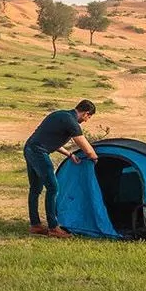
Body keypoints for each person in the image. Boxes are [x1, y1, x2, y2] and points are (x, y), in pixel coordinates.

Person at [23, 99, 98, 237]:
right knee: (53, 188)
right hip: (38, 152)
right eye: (89, 117)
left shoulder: (61, 115)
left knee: (35, 189)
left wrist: (69, 154)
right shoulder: (72, 122)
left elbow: (51, 139)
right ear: (86, 113)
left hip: (29, 148)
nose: (87, 120)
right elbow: (87, 149)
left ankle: (35, 225)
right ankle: (53, 228)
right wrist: (96, 159)